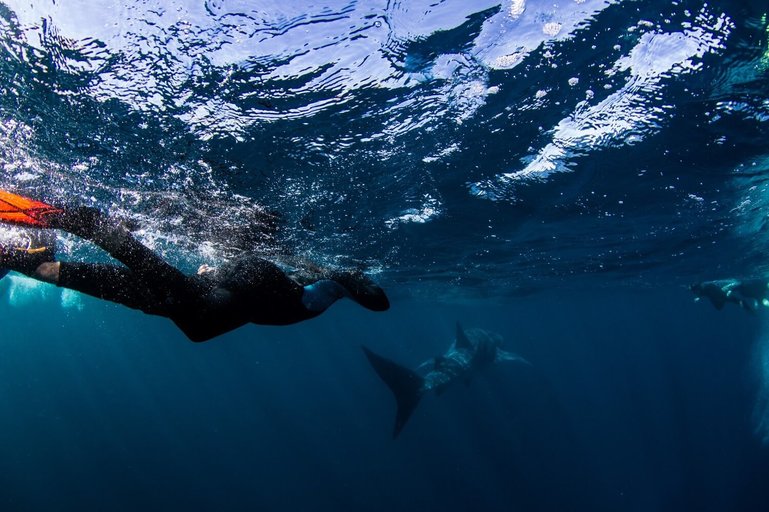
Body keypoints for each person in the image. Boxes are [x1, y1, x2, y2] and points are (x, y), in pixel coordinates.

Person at [0, 193, 389, 342]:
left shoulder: (292, 291)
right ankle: (26, 259)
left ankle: (39, 254)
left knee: (161, 289)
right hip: (215, 306)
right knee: (152, 291)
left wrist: (348, 282)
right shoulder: (290, 290)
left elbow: (376, 301)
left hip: (215, 303)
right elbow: (377, 301)